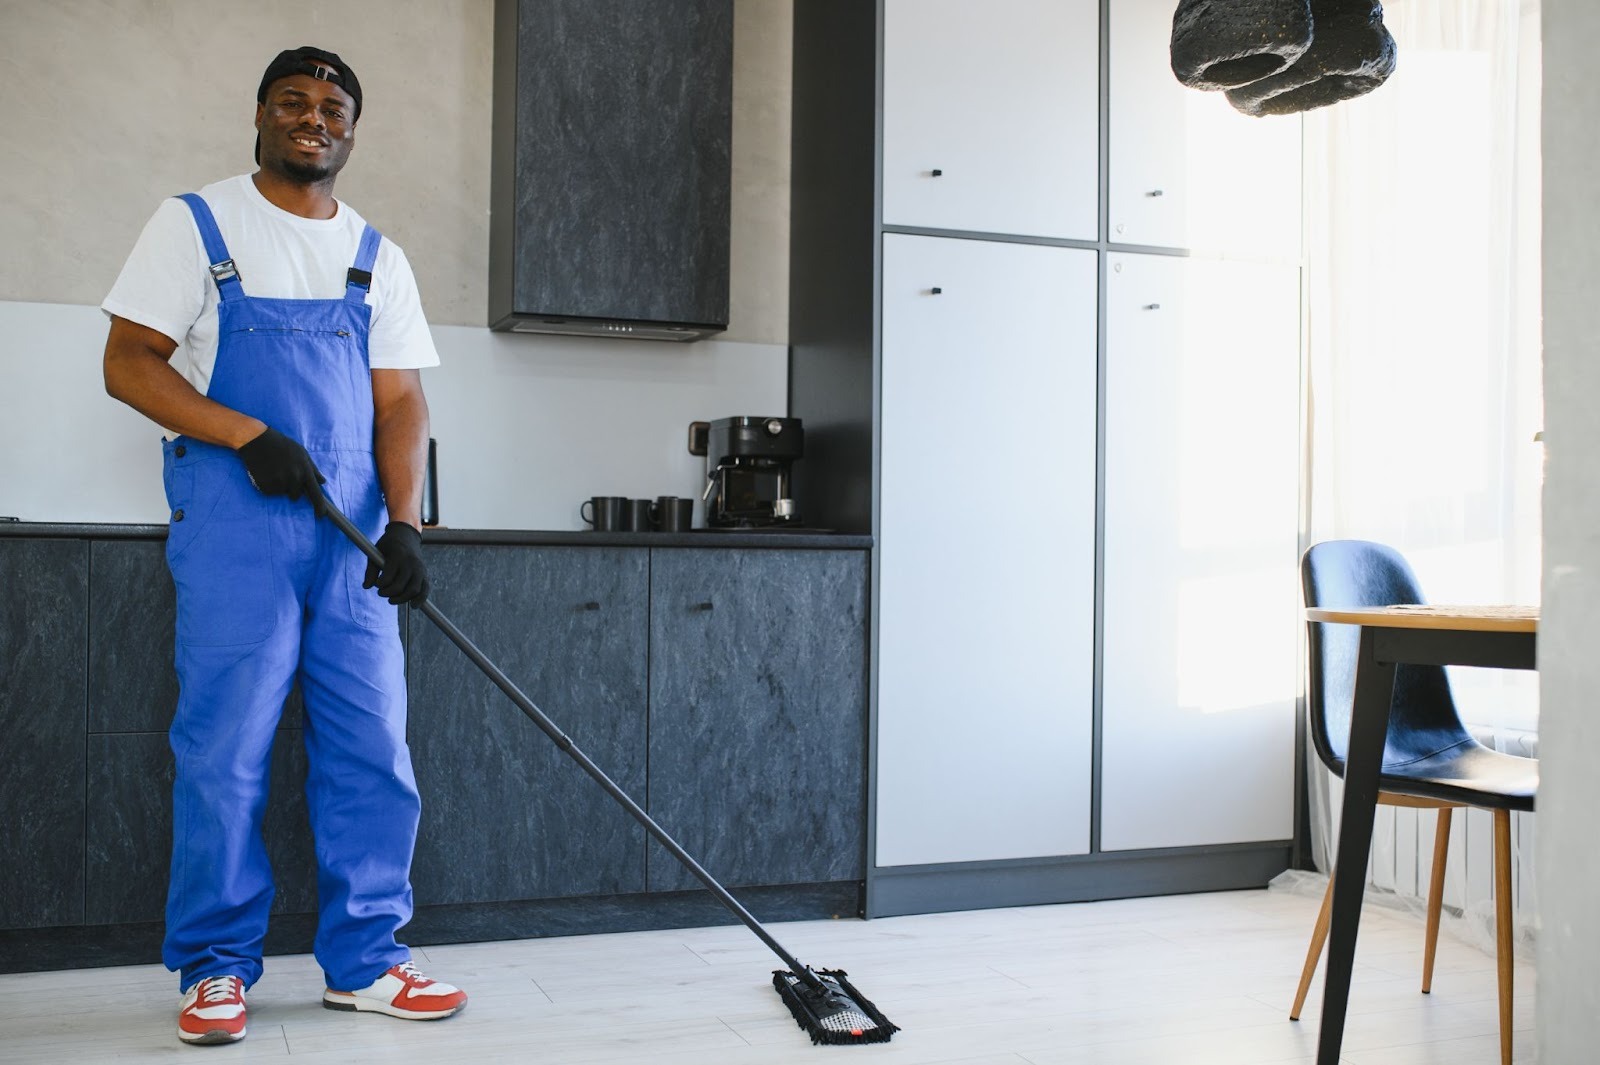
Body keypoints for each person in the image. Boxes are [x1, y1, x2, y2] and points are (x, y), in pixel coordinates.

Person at [101, 46, 466, 1046]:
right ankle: (214, 969)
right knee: (224, 750)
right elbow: (128, 363)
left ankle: (368, 961)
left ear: (352, 127)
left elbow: (401, 400)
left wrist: (403, 522)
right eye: (293, 101)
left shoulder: (377, 255)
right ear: (260, 115)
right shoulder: (197, 224)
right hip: (236, 526)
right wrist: (245, 434)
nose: (314, 118)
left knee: (372, 749)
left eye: (333, 106)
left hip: (348, 539)